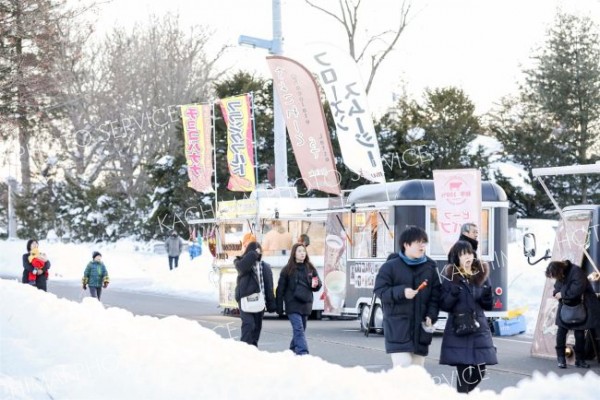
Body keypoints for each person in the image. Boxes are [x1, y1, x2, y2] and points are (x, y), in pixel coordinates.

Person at [373, 226, 441, 368]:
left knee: (417, 371)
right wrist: (402, 292)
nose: (422, 246)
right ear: (406, 244)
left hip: (421, 330)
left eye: (424, 242)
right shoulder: (390, 267)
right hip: (398, 328)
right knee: (403, 367)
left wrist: (431, 315)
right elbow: (380, 291)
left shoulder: (430, 267)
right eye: (418, 242)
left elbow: (436, 296)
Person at [439, 241, 497, 393]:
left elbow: (488, 305)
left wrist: (487, 295)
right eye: (463, 254)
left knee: (480, 371)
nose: (467, 257)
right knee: (463, 373)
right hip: (459, 328)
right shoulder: (451, 277)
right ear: (456, 258)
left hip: (479, 328)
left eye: (469, 253)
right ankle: (462, 395)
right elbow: (444, 305)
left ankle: (463, 394)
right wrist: (453, 293)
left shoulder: (481, 275)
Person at [545, 260, 600, 369]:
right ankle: (561, 358)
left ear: (559, 271)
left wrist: (562, 294)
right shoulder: (561, 274)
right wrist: (556, 293)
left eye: (554, 276)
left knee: (579, 334)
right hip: (565, 307)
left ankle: (579, 360)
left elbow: (576, 290)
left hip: (580, 306)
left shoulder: (576, 272)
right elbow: (558, 287)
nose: (554, 278)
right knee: (561, 332)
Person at [276, 243, 322, 355]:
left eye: (304, 251)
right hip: (292, 304)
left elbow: (317, 285)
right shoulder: (287, 269)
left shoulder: (310, 268)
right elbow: (280, 289)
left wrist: (315, 284)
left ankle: (291, 351)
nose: (302, 253)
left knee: (300, 330)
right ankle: (303, 353)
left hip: (306, 304)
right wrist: (279, 307)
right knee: (298, 329)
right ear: (294, 254)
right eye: (299, 251)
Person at [234, 242, 276, 346]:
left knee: (257, 327)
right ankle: (244, 349)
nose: (258, 253)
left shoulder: (265, 266)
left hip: (260, 301)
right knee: (248, 324)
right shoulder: (240, 262)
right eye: (255, 250)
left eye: (259, 251)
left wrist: (272, 304)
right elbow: (242, 268)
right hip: (245, 300)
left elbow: (268, 285)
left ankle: (253, 350)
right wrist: (253, 254)